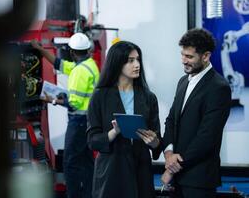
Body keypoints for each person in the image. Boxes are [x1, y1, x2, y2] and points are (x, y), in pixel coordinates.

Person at [87, 41, 162, 198]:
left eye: (138, 59)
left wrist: (154, 142)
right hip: (111, 173)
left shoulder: (149, 97)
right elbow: (92, 140)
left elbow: (157, 143)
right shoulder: (100, 96)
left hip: (140, 171)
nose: (137, 65)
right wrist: (114, 132)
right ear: (117, 63)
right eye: (130, 60)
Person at [161, 28, 231, 198]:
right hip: (177, 179)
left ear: (205, 56)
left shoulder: (219, 87)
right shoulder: (183, 81)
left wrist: (173, 167)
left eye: (189, 57)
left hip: (199, 180)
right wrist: (169, 154)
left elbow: (207, 136)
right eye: (182, 55)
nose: (184, 61)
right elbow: (171, 120)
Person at [31, 33, 99, 198]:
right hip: (88, 122)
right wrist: (41, 50)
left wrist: (53, 100)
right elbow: (60, 64)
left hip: (79, 122)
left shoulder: (79, 72)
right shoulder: (89, 65)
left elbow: (74, 103)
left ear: (72, 51)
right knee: (86, 162)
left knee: (70, 163)